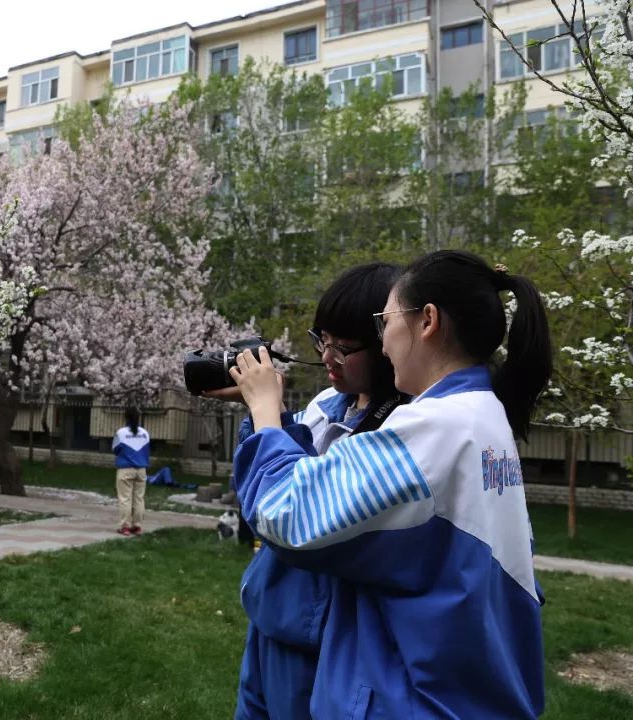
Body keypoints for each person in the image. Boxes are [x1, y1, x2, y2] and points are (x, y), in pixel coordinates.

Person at [230, 250, 551, 718]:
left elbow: (287, 512)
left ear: (427, 321)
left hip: (414, 699)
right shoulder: (482, 416)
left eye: (385, 322)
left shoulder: (436, 428)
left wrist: (264, 413)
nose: (383, 345)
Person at [208, 262, 406, 719]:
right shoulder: (323, 405)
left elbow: (304, 507)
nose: (327, 358)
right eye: (322, 340)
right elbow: (267, 494)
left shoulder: (397, 428)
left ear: (386, 343)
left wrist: (266, 414)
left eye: (344, 347)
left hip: (319, 638)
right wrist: (266, 414)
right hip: (271, 617)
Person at [112, 406, 150, 537]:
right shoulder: (145, 433)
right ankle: (137, 526)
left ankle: (125, 526)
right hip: (141, 470)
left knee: (125, 499)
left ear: (125, 417)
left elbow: (115, 450)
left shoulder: (121, 433)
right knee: (139, 499)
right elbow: (146, 451)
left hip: (126, 469)